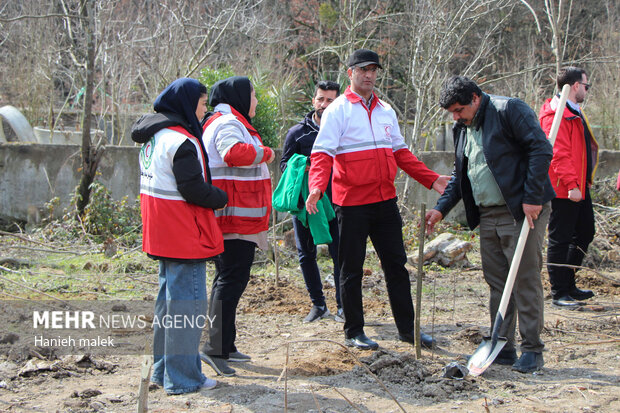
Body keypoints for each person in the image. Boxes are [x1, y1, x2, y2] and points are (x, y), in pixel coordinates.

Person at [306, 49, 450, 351]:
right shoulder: (338, 110)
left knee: (396, 266)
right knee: (351, 268)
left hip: (385, 202)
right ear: (350, 73)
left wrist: (431, 178)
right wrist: (317, 187)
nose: (369, 75)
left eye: (373, 70)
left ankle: (407, 330)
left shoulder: (386, 110)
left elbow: (401, 153)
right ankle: (354, 331)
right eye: (362, 69)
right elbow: (322, 155)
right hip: (352, 204)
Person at [426, 76, 555, 373]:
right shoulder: (463, 128)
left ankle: (533, 350)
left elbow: (541, 150)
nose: (455, 117)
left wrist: (533, 196)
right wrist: (440, 210)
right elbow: (460, 175)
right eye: (452, 113)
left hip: (521, 211)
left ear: (475, 98)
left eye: (459, 110)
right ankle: (503, 346)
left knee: (524, 280)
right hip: (488, 215)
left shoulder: (509, 110)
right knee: (497, 282)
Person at [131, 78, 228, 394]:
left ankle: (162, 371)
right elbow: (192, 189)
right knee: (187, 308)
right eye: (202, 104)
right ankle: (184, 379)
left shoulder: (154, 137)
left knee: (168, 306)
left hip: (161, 233)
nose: (204, 111)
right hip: (185, 235)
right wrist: (220, 197)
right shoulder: (182, 141)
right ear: (188, 104)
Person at [199, 76, 274, 377]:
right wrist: (267, 152)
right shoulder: (228, 122)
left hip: (237, 217)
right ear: (242, 97)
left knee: (230, 280)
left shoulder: (230, 120)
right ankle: (214, 348)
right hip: (232, 219)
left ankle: (225, 345)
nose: (256, 100)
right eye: (254, 95)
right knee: (230, 280)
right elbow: (233, 153)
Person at [280, 80, 343, 323]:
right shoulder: (297, 133)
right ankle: (318, 305)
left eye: (330, 100)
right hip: (305, 202)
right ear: (313, 100)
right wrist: (304, 167)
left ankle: (343, 306)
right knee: (306, 254)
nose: (324, 105)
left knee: (341, 254)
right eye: (321, 99)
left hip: (337, 202)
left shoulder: (344, 129)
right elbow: (284, 164)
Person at [539, 67, 599, 308]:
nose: (587, 90)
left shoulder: (573, 110)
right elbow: (558, 153)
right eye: (586, 85)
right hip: (564, 188)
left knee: (585, 232)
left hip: (579, 186)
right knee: (560, 238)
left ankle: (569, 284)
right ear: (575, 86)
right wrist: (572, 185)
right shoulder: (555, 114)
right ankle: (558, 292)